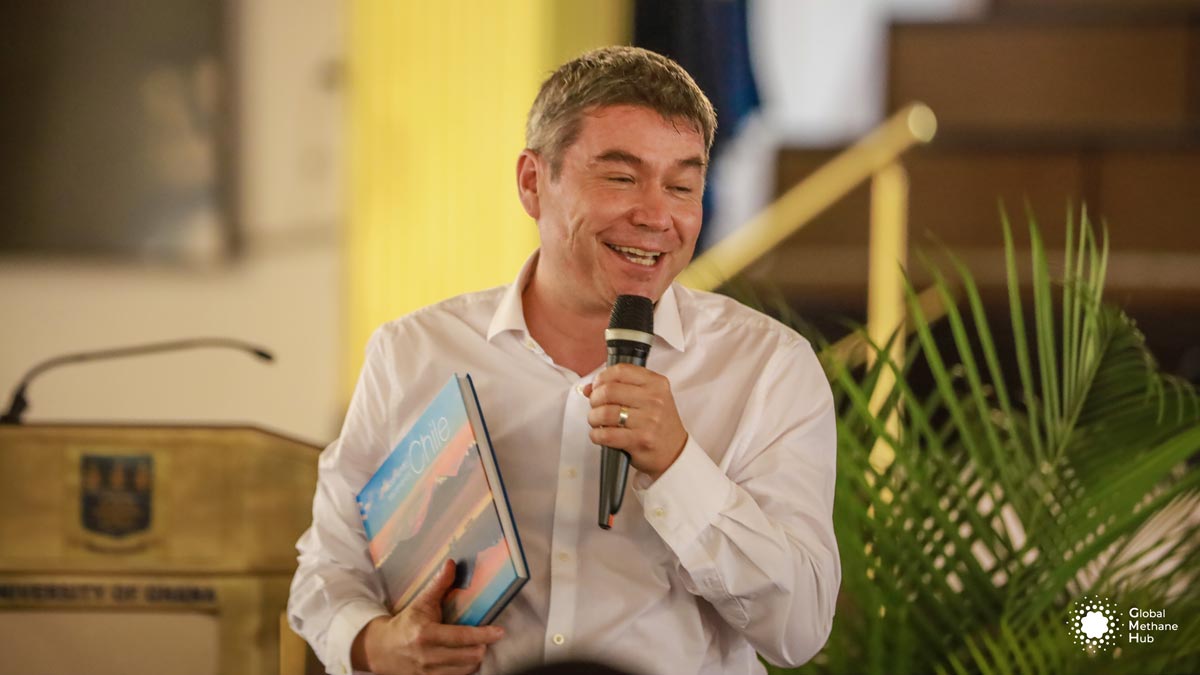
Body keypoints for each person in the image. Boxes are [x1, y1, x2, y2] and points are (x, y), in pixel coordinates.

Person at [287, 46, 839, 675]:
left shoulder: (768, 368)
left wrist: (681, 466)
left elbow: (800, 629)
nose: (657, 215)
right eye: (621, 178)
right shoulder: (413, 353)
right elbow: (327, 571)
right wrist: (372, 644)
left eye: (682, 185)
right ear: (532, 183)